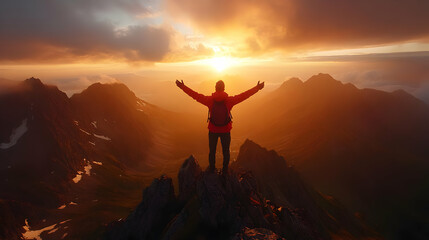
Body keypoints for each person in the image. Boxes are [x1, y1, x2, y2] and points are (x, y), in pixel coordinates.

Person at [176, 79, 264, 174]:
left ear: (215, 88)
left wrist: (182, 87)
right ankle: (225, 171)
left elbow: (195, 95)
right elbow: (244, 96)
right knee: (226, 152)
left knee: (212, 151)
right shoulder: (229, 101)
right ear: (224, 88)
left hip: (213, 130)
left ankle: (212, 169)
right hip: (225, 130)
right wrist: (257, 88)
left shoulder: (209, 100)